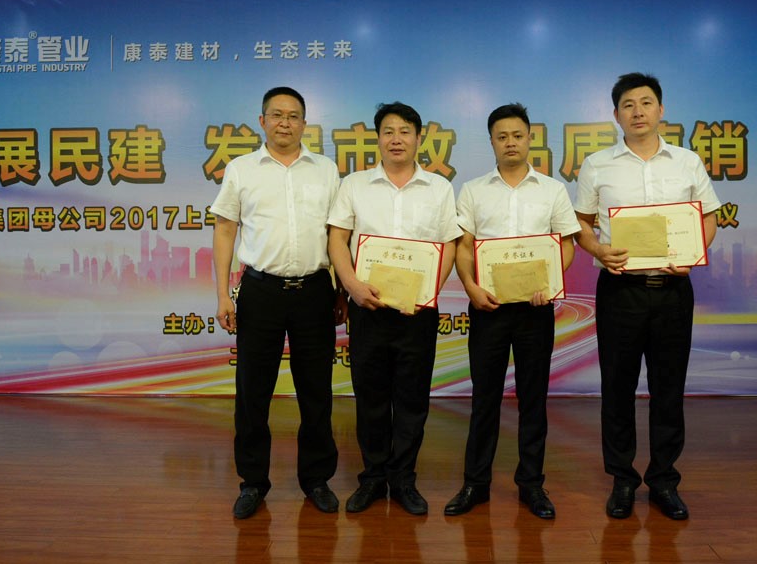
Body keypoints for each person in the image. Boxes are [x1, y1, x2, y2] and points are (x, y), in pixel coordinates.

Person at [573, 73, 719, 521]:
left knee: (668, 388)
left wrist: (693, 253)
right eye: (628, 105)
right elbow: (580, 224)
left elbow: (708, 217)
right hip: (620, 292)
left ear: (661, 110)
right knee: (617, 388)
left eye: (646, 102)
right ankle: (622, 480)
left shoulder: (687, 162)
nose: (638, 111)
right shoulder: (597, 164)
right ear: (616, 115)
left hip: (673, 290)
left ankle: (664, 481)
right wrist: (598, 250)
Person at [443, 103, 581, 520]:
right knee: (484, 398)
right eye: (501, 136)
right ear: (491, 142)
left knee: (533, 399)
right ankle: (475, 483)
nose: (510, 143)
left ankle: (532, 484)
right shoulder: (473, 190)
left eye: (517, 135)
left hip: (535, 309)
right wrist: (470, 287)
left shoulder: (552, 190)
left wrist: (551, 284)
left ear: (530, 138)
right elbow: (464, 246)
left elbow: (566, 244)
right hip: (488, 308)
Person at [211, 86, 341, 519]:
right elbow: (225, 230)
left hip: (315, 291)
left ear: (305, 123)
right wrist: (223, 295)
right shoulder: (241, 169)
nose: (285, 122)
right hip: (260, 291)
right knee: (252, 391)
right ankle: (252, 482)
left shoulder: (326, 170)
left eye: (294, 115)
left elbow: (338, 234)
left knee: (316, 390)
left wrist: (340, 290)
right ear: (262, 120)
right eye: (277, 114)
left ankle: (316, 479)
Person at [327, 101, 461, 515]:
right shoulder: (355, 185)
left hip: (417, 312)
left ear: (419, 138)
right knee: (370, 397)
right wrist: (351, 286)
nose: (396, 139)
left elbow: (449, 244)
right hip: (367, 309)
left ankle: (403, 479)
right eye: (388, 131)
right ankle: (372, 478)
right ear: (378, 138)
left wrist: (427, 292)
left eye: (405, 131)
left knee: (411, 398)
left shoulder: (438, 188)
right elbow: (337, 239)